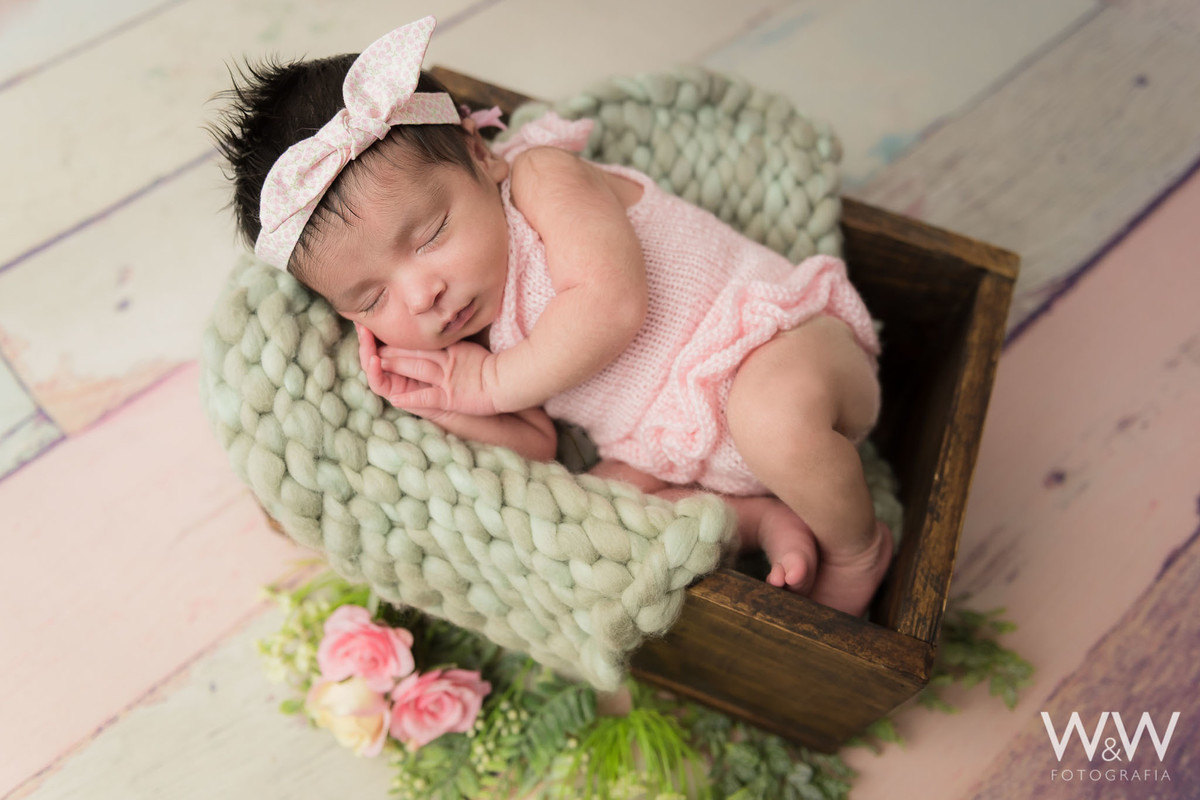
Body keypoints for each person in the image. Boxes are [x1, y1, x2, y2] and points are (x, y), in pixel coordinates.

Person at [212, 16, 893, 617]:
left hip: (784, 350)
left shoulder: (542, 181)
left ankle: (857, 547)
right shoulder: (473, 329)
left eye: (429, 236)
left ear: (481, 156)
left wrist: (490, 383)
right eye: (370, 299)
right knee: (589, 514)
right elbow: (536, 445)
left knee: (771, 416)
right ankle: (754, 516)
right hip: (679, 449)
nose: (421, 295)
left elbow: (612, 304)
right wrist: (447, 400)